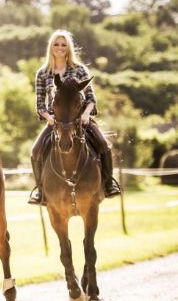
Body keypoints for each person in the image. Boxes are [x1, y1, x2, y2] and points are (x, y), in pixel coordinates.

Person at [28, 29, 122, 205]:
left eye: (64, 45)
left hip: (81, 121)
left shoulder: (79, 70)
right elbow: (40, 103)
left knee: (104, 144)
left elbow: (91, 98)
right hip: (55, 122)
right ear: (51, 47)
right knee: (35, 151)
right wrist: (49, 118)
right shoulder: (42, 73)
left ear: (68, 48)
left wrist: (86, 114)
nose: (60, 48)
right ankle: (40, 191)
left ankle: (109, 184)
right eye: (56, 44)